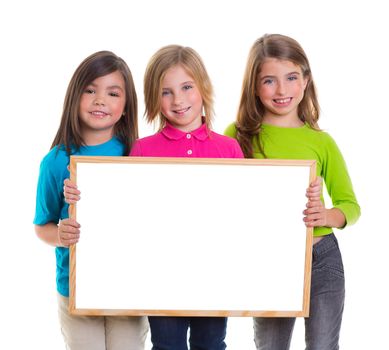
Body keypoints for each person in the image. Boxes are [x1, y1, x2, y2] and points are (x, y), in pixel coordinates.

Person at [224, 34, 361, 350]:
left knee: (323, 346)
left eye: (291, 78)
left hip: (322, 257)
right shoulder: (238, 135)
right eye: (269, 81)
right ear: (254, 87)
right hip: (269, 258)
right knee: (270, 346)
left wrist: (327, 215)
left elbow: (350, 205)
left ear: (306, 80)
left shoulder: (321, 141)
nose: (282, 90)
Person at [33, 51, 148, 350]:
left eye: (112, 93)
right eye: (90, 90)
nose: (100, 100)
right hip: (76, 288)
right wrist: (60, 235)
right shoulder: (56, 161)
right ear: (75, 97)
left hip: (129, 285)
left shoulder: (137, 155)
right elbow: (41, 225)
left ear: (125, 107)